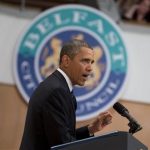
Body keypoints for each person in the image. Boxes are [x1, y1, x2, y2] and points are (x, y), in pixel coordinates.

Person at [20, 39, 112, 150]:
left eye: (91, 62)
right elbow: (63, 146)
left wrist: (90, 129)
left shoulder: (59, 87)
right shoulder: (56, 91)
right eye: (85, 61)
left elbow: (64, 138)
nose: (90, 68)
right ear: (66, 61)